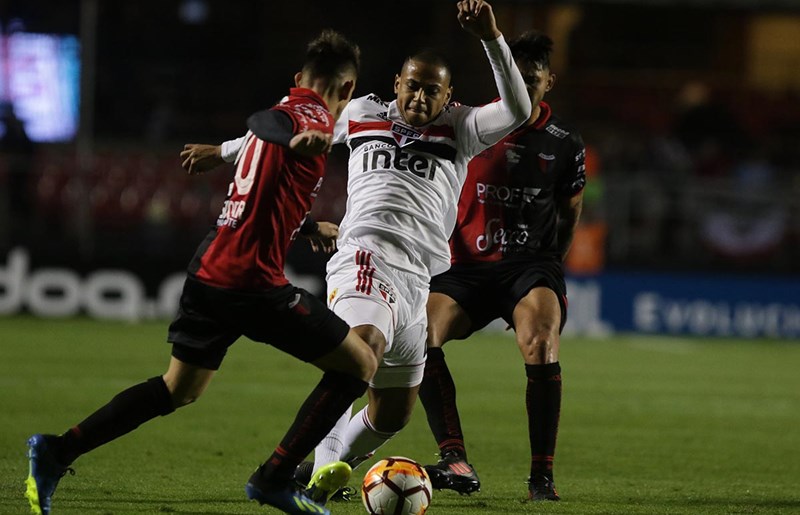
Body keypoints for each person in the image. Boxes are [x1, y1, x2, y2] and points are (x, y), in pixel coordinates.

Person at [24, 30, 377, 515]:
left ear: (298, 78)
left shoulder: (278, 111)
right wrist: (307, 141)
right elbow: (301, 135)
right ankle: (274, 477)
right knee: (360, 365)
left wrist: (305, 223)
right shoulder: (312, 117)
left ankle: (55, 450)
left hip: (209, 270)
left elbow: (264, 190)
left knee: (178, 389)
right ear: (348, 89)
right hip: (252, 284)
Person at [207, 0, 531, 503]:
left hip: (418, 280)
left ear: (449, 96)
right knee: (361, 346)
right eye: (412, 84)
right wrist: (223, 152)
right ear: (397, 82)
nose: (419, 96)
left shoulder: (462, 128)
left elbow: (518, 109)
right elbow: (290, 124)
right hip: (364, 256)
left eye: (432, 89)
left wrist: (491, 37)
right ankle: (291, 470)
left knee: (393, 412)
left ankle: (326, 462)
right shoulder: (361, 113)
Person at [416, 29, 586, 502]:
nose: (525, 85)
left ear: (548, 82)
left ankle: (541, 480)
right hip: (465, 265)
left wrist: (553, 262)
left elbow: (570, 210)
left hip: (528, 266)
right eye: (517, 76)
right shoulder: (470, 124)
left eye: (533, 79)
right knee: (417, 336)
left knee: (540, 344)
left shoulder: (564, 144)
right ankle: (454, 455)